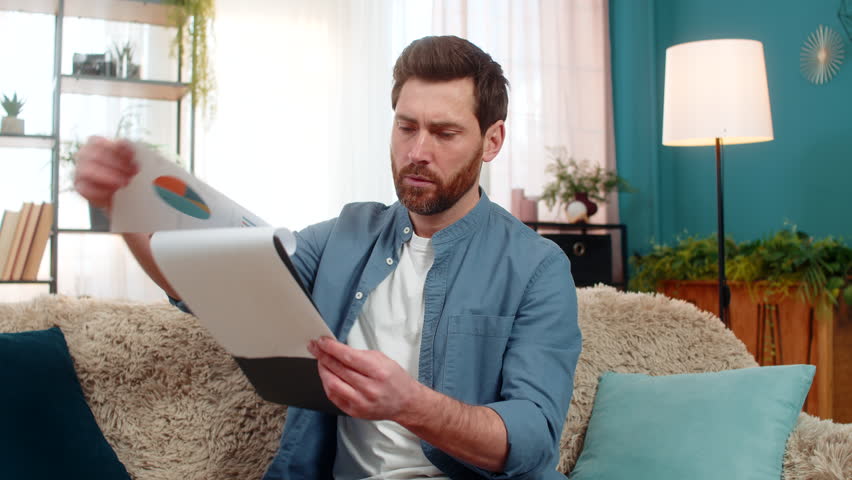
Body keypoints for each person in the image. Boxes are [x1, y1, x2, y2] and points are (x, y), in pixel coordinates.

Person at [74, 35, 581, 480]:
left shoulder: (537, 266)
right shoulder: (347, 234)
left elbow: (532, 439)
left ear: (492, 141)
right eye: (406, 127)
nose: (417, 151)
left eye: (444, 133)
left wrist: (411, 405)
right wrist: (124, 204)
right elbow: (215, 283)